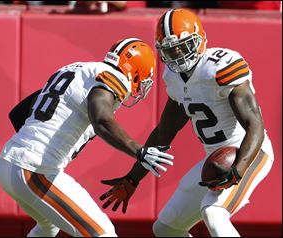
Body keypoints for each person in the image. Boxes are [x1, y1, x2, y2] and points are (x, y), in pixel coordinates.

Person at [99, 8, 274, 237]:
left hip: (248, 151)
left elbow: (255, 125)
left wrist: (238, 170)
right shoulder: (174, 78)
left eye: (183, 46)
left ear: (200, 40)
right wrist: (133, 178)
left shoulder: (220, 67)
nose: (179, 55)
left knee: (214, 213)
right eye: (171, 51)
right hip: (214, 159)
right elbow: (163, 134)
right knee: (166, 229)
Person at [0, 37, 175, 237]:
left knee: (48, 227)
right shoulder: (115, 77)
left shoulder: (75, 69)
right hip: (34, 169)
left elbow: (18, 113)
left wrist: (29, 148)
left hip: (7, 163)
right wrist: (139, 151)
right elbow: (102, 120)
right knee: (103, 233)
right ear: (135, 72)